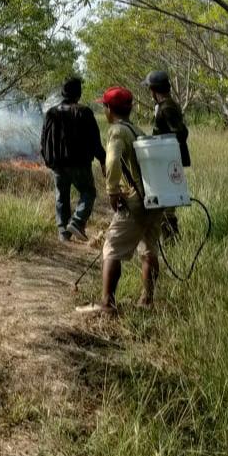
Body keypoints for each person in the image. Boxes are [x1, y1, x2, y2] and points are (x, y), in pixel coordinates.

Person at [78, 86, 162, 315]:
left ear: (108, 109)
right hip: (155, 202)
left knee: (111, 247)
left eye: (103, 106)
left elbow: (112, 159)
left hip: (136, 201)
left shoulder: (116, 131)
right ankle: (147, 301)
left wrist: (112, 190)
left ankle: (107, 305)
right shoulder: (137, 131)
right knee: (149, 249)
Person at [40, 76, 106, 242]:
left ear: (63, 92)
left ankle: (63, 232)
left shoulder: (51, 113)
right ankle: (77, 222)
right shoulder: (84, 112)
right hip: (79, 163)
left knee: (62, 195)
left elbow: (43, 140)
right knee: (88, 192)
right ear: (79, 93)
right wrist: (103, 160)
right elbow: (95, 141)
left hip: (58, 164)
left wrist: (48, 160)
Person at [143, 70, 189, 237]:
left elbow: (180, 133)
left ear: (154, 90)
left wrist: (160, 144)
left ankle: (171, 240)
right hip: (166, 159)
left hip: (167, 160)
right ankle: (168, 238)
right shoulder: (164, 105)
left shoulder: (167, 107)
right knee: (164, 202)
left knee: (166, 203)